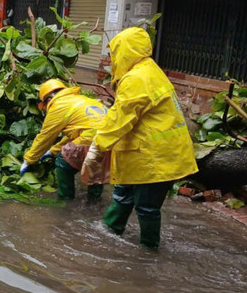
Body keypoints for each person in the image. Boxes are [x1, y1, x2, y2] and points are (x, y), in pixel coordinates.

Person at [82, 27, 198, 249]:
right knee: (123, 194)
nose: (112, 60)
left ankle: (148, 251)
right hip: (148, 153)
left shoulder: (138, 77)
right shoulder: (149, 71)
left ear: (126, 51)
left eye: (115, 53)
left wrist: (97, 149)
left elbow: (120, 117)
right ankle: (109, 232)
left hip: (156, 157)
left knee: (146, 207)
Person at [20, 79, 108, 200]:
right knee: (95, 166)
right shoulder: (81, 99)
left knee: (64, 161)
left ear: (49, 100)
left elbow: (45, 137)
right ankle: (94, 201)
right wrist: (53, 151)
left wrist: (29, 160)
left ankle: (66, 200)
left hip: (91, 138)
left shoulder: (59, 105)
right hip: (111, 140)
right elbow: (78, 132)